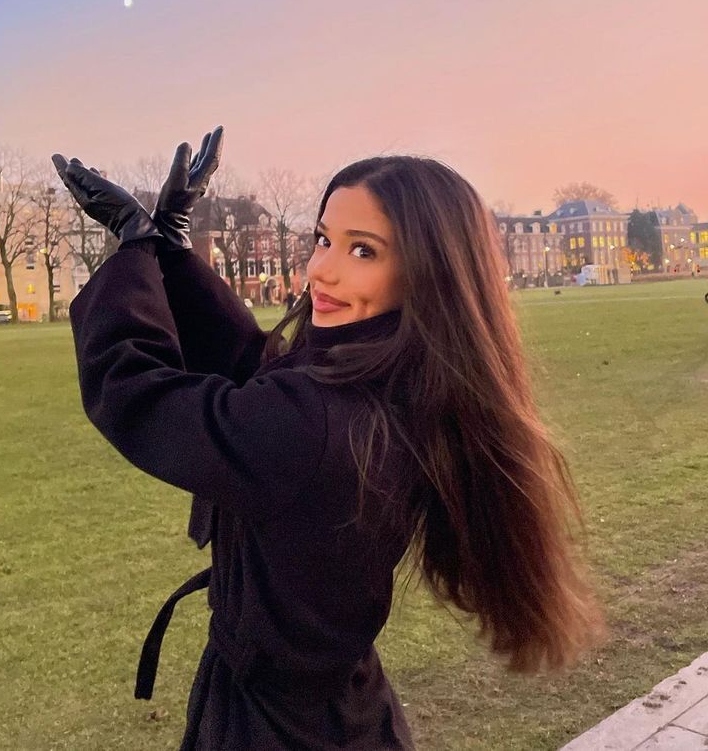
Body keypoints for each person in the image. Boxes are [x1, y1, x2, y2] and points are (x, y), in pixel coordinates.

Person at [52, 129, 605, 750]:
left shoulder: (318, 423)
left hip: (279, 731)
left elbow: (139, 396)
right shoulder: (395, 379)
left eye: (363, 251)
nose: (321, 268)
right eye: (323, 238)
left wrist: (132, 249)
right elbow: (257, 367)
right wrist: (171, 248)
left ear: (430, 274)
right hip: (342, 707)